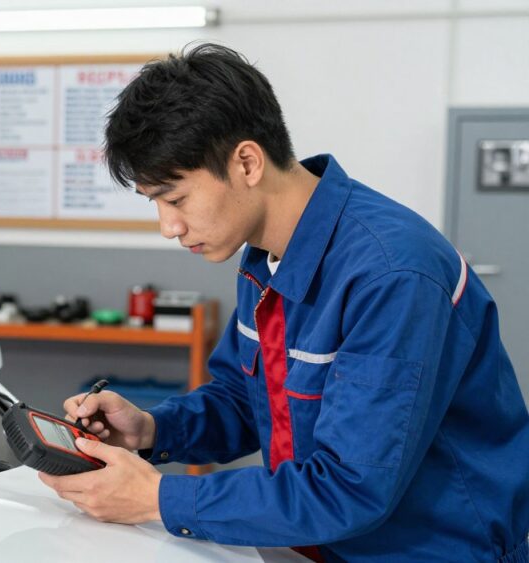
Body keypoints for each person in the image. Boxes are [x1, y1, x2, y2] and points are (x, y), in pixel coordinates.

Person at [38, 43, 529, 562]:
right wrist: (154, 428)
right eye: (154, 203)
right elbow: (245, 398)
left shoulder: (391, 274)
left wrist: (155, 498)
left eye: (176, 198)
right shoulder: (265, 256)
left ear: (247, 161)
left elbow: (350, 489)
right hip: (322, 545)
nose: (168, 227)